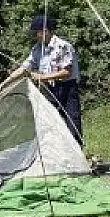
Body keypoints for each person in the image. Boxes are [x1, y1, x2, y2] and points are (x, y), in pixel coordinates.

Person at [6, 15, 83, 145]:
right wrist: (4, 84)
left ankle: (79, 156)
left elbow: (66, 72)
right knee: (53, 123)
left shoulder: (63, 46)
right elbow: (25, 67)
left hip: (67, 88)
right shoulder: (37, 49)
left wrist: (41, 77)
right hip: (50, 90)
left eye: (37, 33)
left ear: (45, 31)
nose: (35, 36)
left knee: (72, 123)